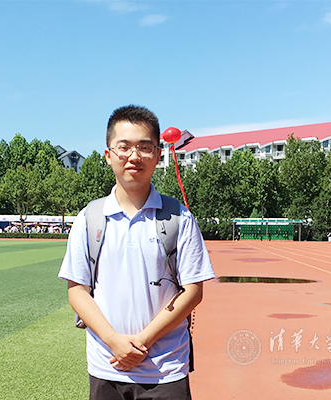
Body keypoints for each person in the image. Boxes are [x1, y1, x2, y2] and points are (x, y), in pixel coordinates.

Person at [58, 105, 215, 399]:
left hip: (165, 368)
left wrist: (142, 341)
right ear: (108, 155)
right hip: (107, 367)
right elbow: (77, 290)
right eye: (124, 147)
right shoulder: (89, 218)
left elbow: (193, 291)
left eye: (145, 147)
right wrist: (114, 341)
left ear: (157, 154)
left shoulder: (180, 218)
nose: (134, 156)